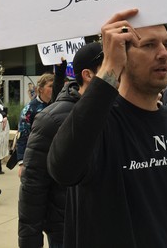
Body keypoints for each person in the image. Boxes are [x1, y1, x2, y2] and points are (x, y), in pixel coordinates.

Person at [47, 9, 167, 248]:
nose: (163, 53)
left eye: (166, 44)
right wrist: (109, 68)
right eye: (149, 45)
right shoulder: (98, 122)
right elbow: (63, 169)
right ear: (122, 56)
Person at [19, 42, 104, 248]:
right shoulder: (51, 119)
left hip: (110, 223)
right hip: (67, 227)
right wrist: (30, 242)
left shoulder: (119, 112)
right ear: (88, 75)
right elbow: (33, 187)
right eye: (111, 66)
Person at [16, 73, 54, 170]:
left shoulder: (57, 104)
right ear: (40, 89)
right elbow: (22, 136)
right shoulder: (29, 109)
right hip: (37, 156)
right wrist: (21, 162)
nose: (54, 88)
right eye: (50, 86)